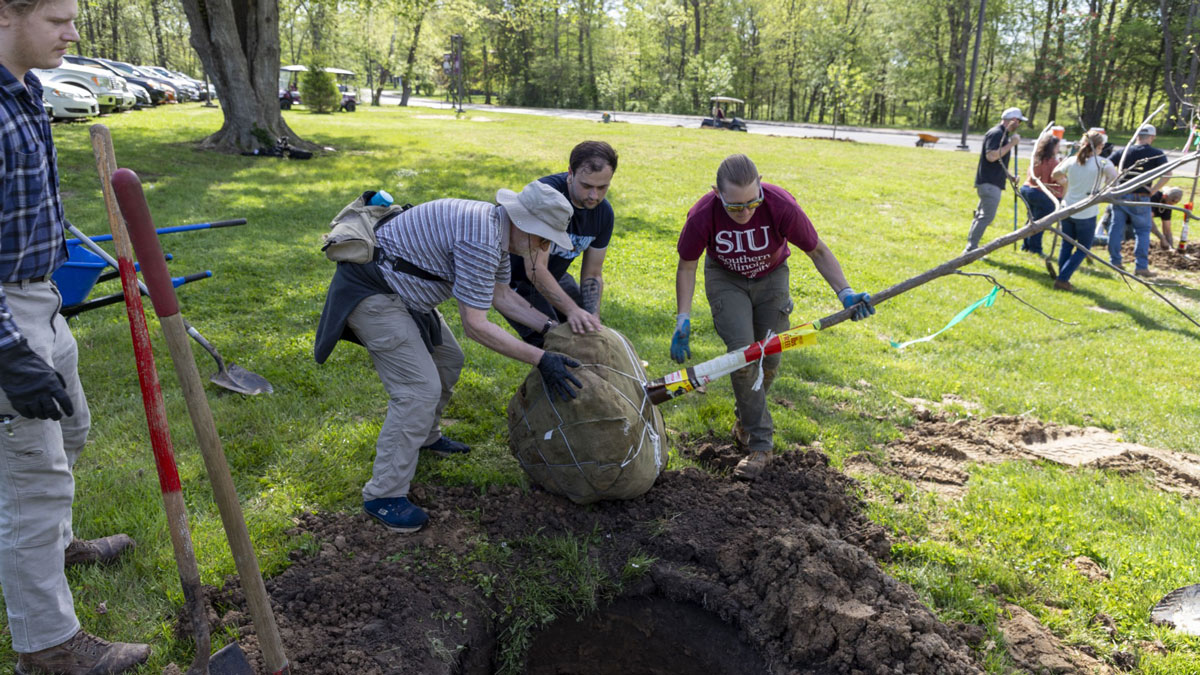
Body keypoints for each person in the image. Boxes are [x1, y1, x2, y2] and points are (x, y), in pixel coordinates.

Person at [0, 0, 150, 672]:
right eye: (58, 18)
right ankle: (49, 645)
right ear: (6, 13)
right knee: (35, 482)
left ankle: (54, 543)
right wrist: (6, 351)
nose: (74, 32)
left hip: (41, 297)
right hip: (7, 314)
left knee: (73, 429)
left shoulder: (26, 91)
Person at [314, 181, 584, 532]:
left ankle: (425, 435)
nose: (544, 247)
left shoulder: (496, 230)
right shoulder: (482, 239)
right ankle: (383, 495)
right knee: (417, 391)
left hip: (407, 293)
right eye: (544, 238)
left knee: (448, 360)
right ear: (524, 222)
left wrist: (551, 329)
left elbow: (502, 297)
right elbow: (476, 325)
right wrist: (540, 359)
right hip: (375, 294)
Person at [670, 155, 874, 481]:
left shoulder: (779, 204)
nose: (746, 212)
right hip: (727, 280)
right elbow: (688, 265)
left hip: (772, 278)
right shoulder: (702, 214)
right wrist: (683, 317)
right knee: (744, 356)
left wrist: (845, 293)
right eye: (735, 207)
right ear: (716, 193)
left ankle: (745, 420)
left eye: (753, 202)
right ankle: (761, 445)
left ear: (761, 185)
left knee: (770, 356)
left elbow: (817, 250)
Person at [507, 141, 616, 348]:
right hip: (518, 282)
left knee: (588, 335)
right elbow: (535, 270)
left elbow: (593, 273)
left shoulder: (604, 214)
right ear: (570, 173)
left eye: (602, 187)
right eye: (586, 186)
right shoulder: (547, 197)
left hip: (556, 275)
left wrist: (593, 316)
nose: (594, 196)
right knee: (554, 343)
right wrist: (572, 311)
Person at [1050, 129, 1117, 291]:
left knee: (1066, 244)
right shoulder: (1102, 163)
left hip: (1068, 207)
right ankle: (1062, 278)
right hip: (1086, 211)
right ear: (1100, 146)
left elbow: (1055, 174)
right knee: (1083, 247)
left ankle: (1062, 277)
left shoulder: (1072, 160)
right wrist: (1104, 188)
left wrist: (1065, 182)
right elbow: (1115, 180)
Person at [1107, 124, 1172, 276]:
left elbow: (1106, 165)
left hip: (1121, 195)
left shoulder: (1124, 151)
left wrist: (1113, 184)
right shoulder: (1156, 153)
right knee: (1142, 231)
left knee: (1116, 228)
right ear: (1152, 137)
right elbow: (1168, 173)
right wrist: (1154, 190)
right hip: (1141, 197)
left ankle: (1114, 261)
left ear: (1137, 136)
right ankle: (1141, 267)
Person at [965, 107, 1025, 253]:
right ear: (1013, 120)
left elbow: (999, 161)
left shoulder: (1002, 135)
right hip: (989, 183)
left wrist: (1009, 176)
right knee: (986, 217)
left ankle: (971, 245)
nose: (1019, 124)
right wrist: (1011, 144)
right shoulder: (997, 134)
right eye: (1019, 121)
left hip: (992, 181)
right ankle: (971, 249)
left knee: (982, 215)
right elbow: (991, 156)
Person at [1018, 133, 1063, 256]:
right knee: (1040, 223)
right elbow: (1057, 179)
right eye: (1057, 146)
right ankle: (1035, 248)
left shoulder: (1036, 158)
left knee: (1032, 220)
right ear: (1052, 147)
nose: (1058, 149)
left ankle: (1026, 245)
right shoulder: (1052, 162)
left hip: (1028, 189)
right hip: (1042, 193)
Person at [1151, 186, 1184, 250]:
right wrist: (1162, 238)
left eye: (1173, 204)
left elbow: (1167, 230)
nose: (1171, 205)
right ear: (1164, 196)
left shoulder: (1168, 205)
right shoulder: (1154, 197)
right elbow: (1148, 221)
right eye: (1170, 203)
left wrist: (1170, 247)